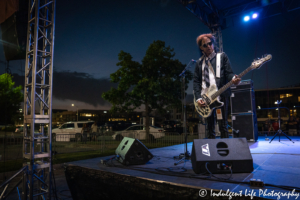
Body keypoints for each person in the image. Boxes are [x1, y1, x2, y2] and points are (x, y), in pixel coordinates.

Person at [193, 33, 241, 139]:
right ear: (201, 48)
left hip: (221, 94)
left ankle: (225, 152)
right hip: (206, 98)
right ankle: (211, 153)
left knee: (223, 125)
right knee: (209, 127)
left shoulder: (222, 56)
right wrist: (198, 98)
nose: (208, 46)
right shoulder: (199, 63)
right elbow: (196, 82)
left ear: (213, 44)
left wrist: (234, 79)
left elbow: (229, 73)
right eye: (205, 45)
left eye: (210, 43)